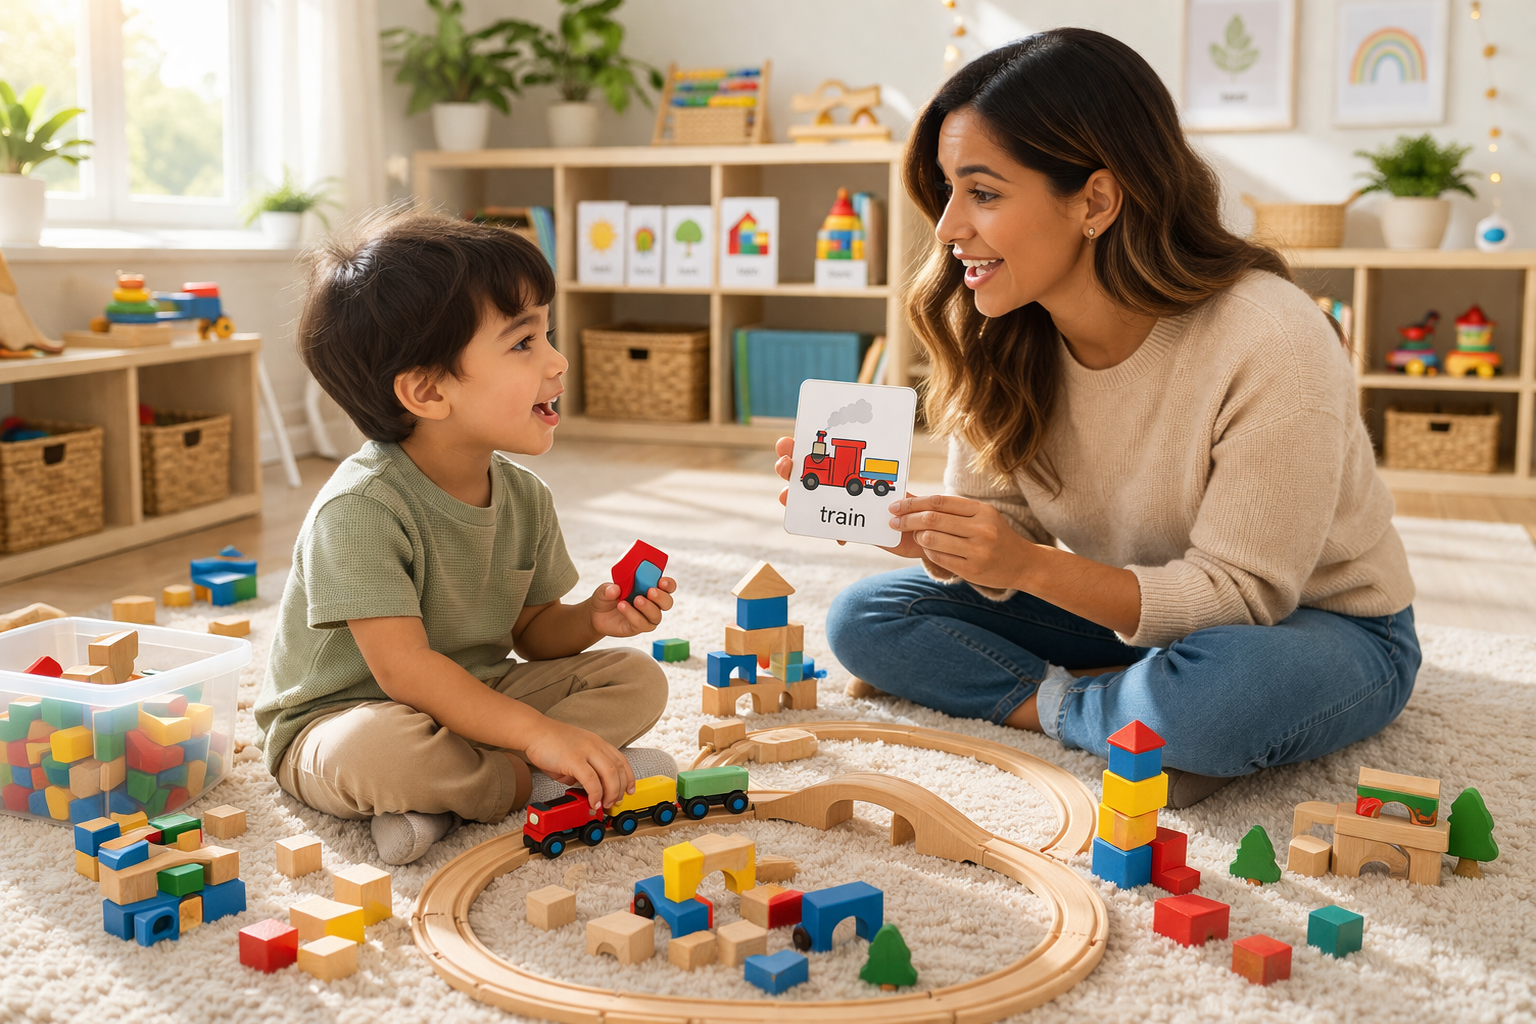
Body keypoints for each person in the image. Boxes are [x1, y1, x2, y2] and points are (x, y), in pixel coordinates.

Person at [779, 29, 1418, 807]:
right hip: (1120, 606)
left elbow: (1243, 597)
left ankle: (1115, 706)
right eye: (947, 191)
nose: (947, 228)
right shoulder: (1001, 324)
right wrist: (930, 534)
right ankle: (1117, 710)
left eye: (982, 193)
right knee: (866, 617)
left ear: (1096, 200)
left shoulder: (1273, 337)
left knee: (1216, 699)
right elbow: (1005, 530)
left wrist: (1025, 568)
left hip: (1317, 625)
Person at [255, 212, 675, 864]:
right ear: (426, 390)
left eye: (548, 333)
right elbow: (407, 673)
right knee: (377, 751)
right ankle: (530, 782)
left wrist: (592, 618)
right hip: (346, 717)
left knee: (638, 680)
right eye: (522, 344)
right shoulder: (361, 509)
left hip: (476, 697)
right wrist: (537, 737)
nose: (558, 361)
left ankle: (446, 806)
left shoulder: (524, 496)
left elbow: (532, 632)